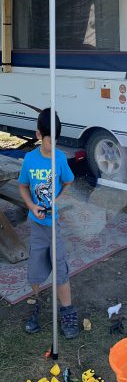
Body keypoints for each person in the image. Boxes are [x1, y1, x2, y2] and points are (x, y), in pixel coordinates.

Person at [18, 108, 77, 337]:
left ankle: (67, 311)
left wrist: (58, 201)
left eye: (56, 141)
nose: (53, 146)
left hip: (55, 226)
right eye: (49, 141)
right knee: (35, 270)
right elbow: (23, 186)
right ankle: (37, 304)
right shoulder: (30, 159)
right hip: (36, 225)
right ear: (38, 135)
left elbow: (69, 183)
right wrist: (32, 206)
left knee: (60, 269)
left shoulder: (60, 159)